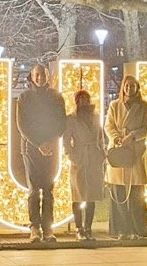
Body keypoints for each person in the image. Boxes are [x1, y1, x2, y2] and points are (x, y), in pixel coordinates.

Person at [16, 64, 67, 242]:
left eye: (43, 74)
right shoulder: (25, 97)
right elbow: (22, 125)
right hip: (31, 149)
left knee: (48, 190)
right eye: (36, 75)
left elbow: (62, 121)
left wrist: (52, 141)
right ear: (32, 76)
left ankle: (48, 229)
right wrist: (39, 144)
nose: (40, 78)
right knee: (33, 190)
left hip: (51, 149)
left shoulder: (56, 97)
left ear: (47, 76)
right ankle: (34, 228)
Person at [105, 75, 147, 240]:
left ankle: (137, 229)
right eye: (127, 86)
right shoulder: (114, 105)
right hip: (118, 152)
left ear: (137, 88)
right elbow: (108, 125)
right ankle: (120, 229)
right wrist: (118, 139)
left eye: (132, 86)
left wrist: (133, 136)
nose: (129, 89)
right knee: (118, 192)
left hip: (135, 151)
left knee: (136, 192)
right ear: (123, 87)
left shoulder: (144, 106)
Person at [64, 88, 107, 240]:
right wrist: (71, 155)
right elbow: (66, 140)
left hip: (94, 157)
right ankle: (78, 227)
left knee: (92, 195)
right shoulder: (71, 118)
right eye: (80, 100)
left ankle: (88, 227)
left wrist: (102, 153)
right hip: (80, 157)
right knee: (77, 194)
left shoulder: (95, 117)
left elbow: (101, 136)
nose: (83, 102)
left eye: (85, 99)